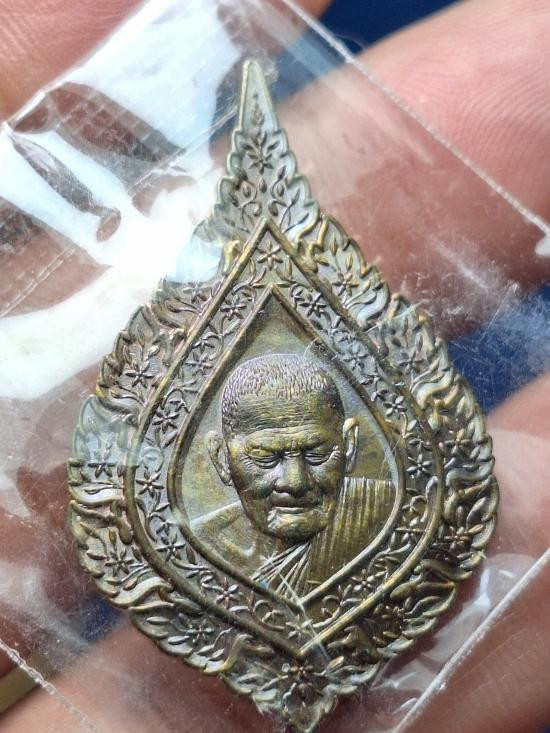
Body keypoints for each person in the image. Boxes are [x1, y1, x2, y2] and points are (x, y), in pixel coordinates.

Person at [197, 354, 393, 598]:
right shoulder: (200, 545)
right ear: (222, 459)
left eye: (316, 454)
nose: (296, 482)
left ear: (349, 447)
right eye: (265, 457)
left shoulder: (392, 511)